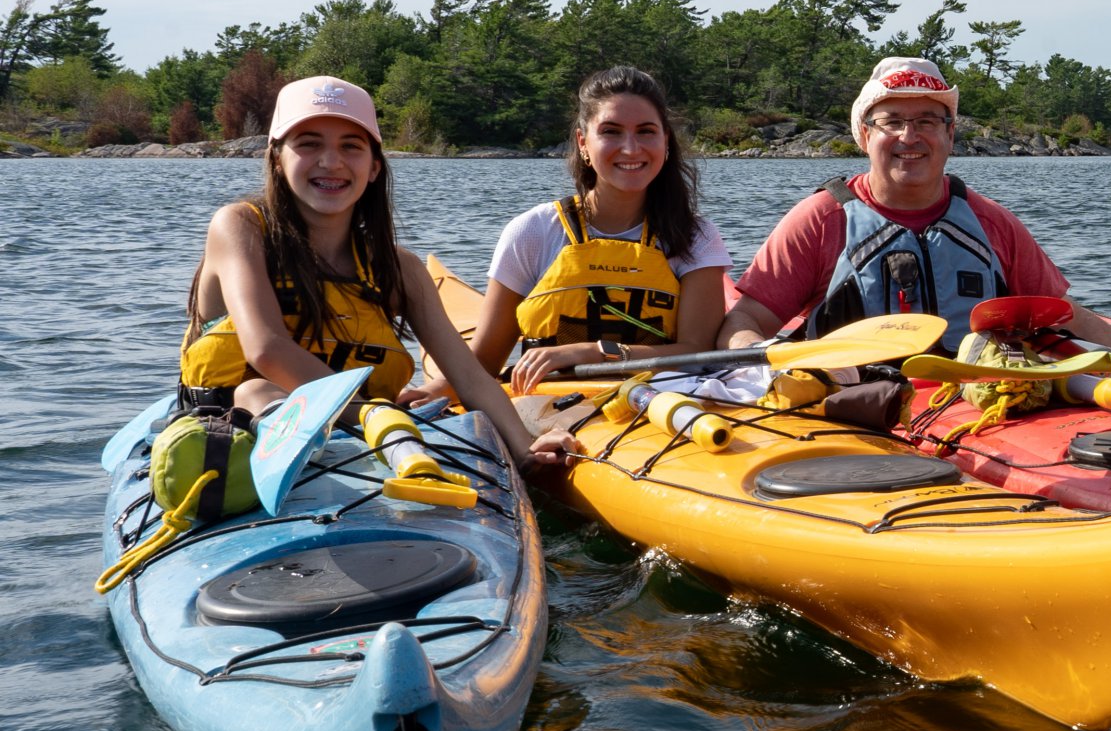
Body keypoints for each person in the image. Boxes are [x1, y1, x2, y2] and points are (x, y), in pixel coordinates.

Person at [178, 75, 538, 469]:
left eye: (351, 146)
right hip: (230, 432)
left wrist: (526, 449)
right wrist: (370, 414)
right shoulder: (239, 227)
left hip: (367, 436)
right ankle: (290, 448)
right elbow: (266, 348)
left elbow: (469, 378)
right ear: (277, 160)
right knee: (257, 389)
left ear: (373, 168)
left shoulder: (400, 270)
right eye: (309, 144)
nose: (331, 162)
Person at [719, 56, 1111, 351]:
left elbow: (1066, 315)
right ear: (865, 135)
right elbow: (745, 319)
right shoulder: (820, 220)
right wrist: (770, 359)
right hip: (855, 410)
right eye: (892, 121)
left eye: (927, 121)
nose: (909, 137)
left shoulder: (992, 222)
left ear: (949, 134)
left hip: (978, 407)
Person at [465, 66, 731, 393]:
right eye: (611, 131)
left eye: (646, 131)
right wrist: (426, 395)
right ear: (583, 143)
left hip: (656, 411)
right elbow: (482, 365)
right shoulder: (532, 231)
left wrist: (595, 351)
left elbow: (697, 355)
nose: (631, 148)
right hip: (547, 415)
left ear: (666, 141)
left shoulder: (696, 237)